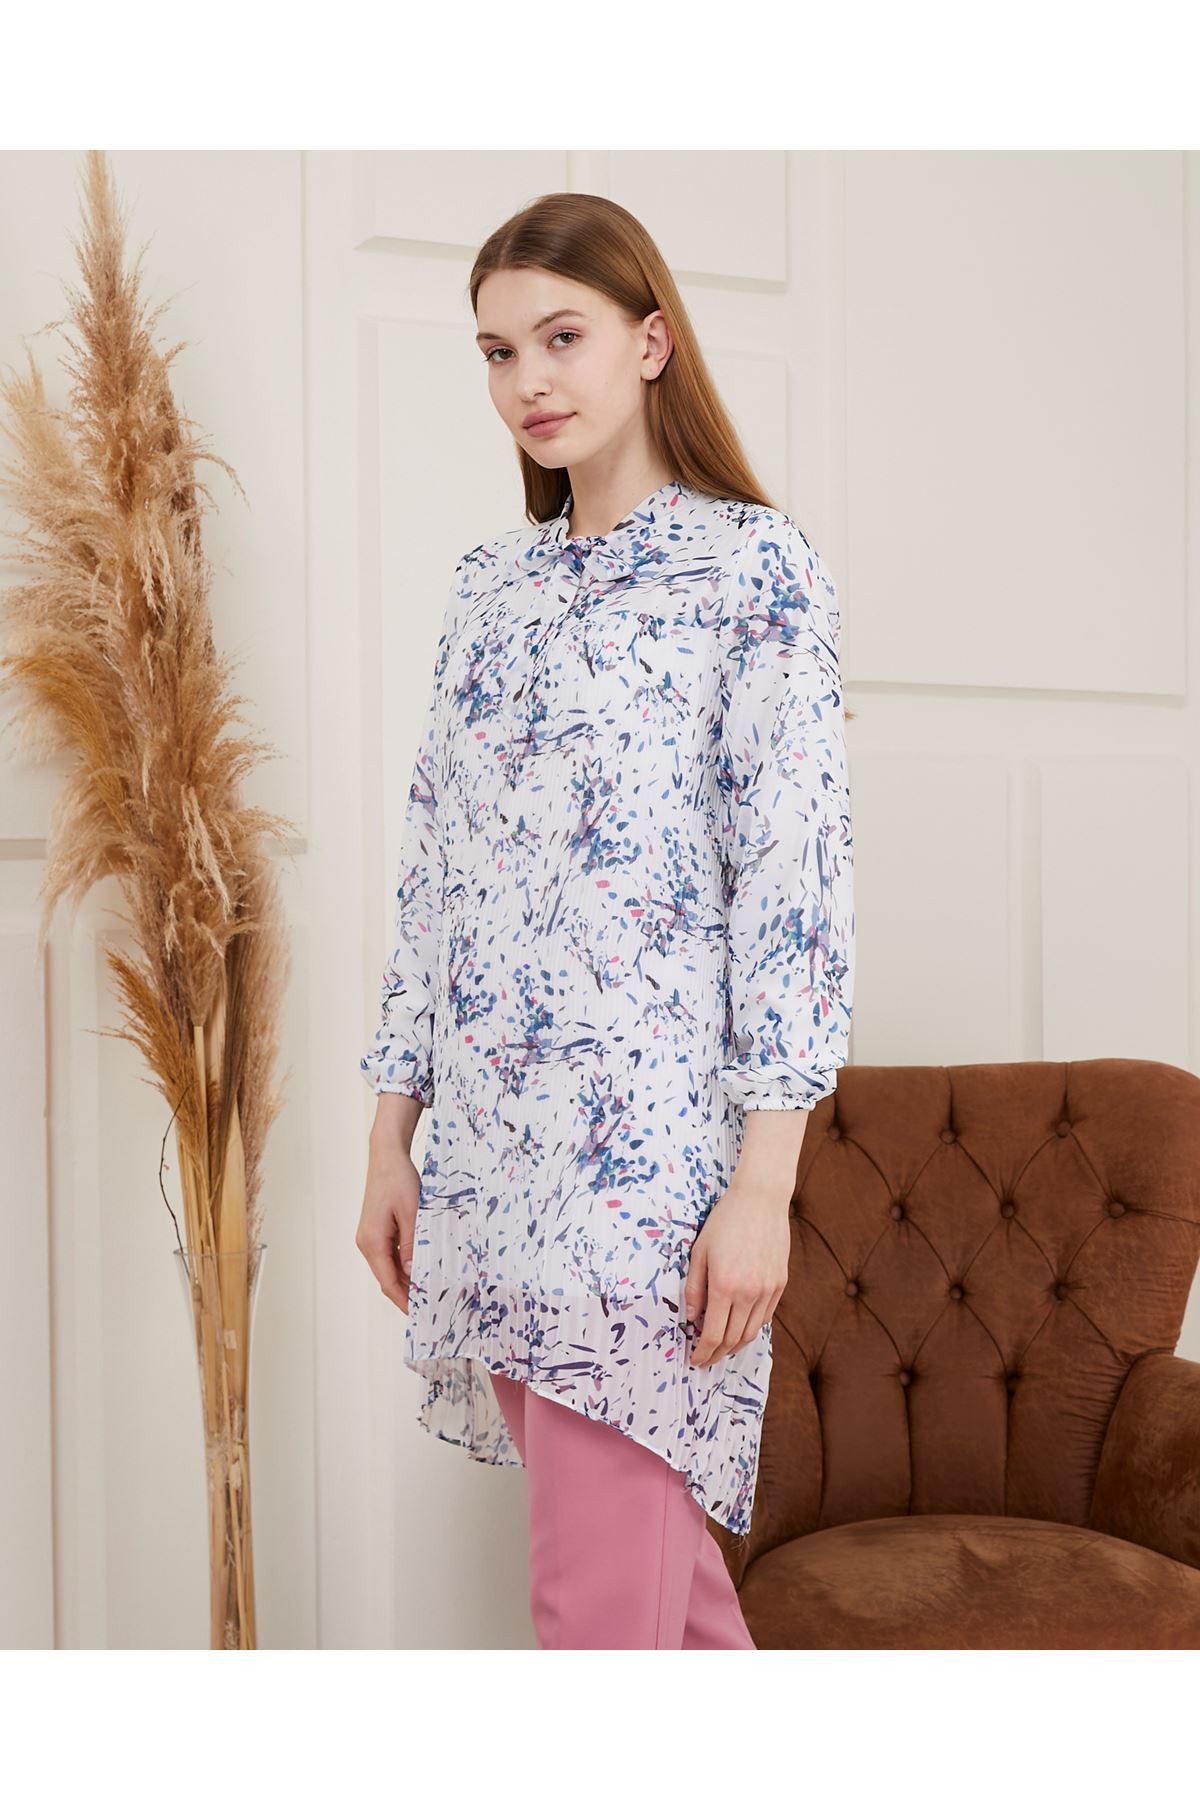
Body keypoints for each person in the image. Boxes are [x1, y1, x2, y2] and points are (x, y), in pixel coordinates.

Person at [355, 191, 855, 1650]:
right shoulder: (488, 591)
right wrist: (391, 1138)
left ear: (651, 341)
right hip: (488, 1160)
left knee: (596, 1619)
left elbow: (796, 894)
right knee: (666, 1618)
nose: (528, 380)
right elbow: (434, 877)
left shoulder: (753, 572)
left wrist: (763, 1188)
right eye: (498, 351)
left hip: (647, 1176)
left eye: (560, 337)